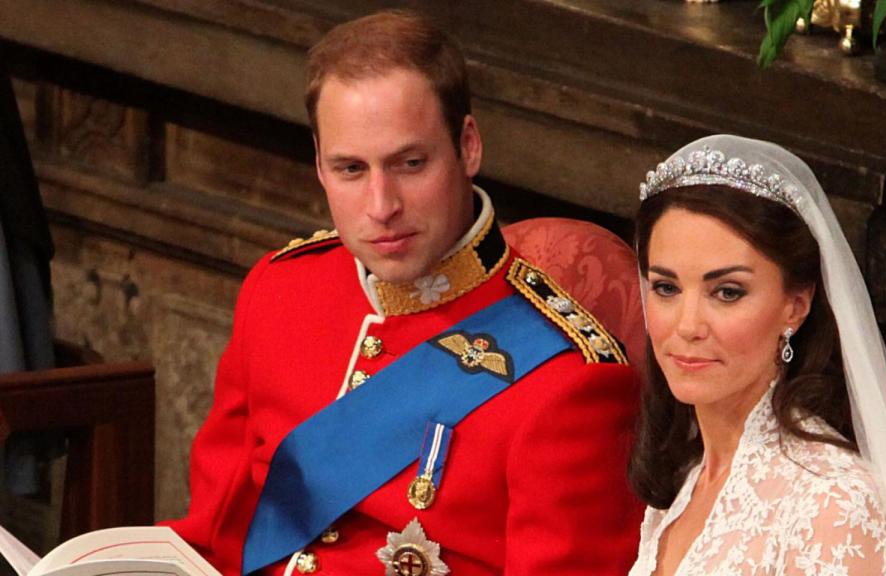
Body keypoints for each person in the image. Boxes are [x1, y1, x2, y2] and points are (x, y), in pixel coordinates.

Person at [164, 10, 642, 576]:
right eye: (349, 169)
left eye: (409, 164)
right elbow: (211, 538)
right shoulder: (279, 291)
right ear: (318, 164)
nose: (381, 206)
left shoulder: (570, 376)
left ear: (468, 147)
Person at [626, 135, 886, 576]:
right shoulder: (688, 472)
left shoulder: (832, 503)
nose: (688, 326)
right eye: (666, 288)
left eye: (727, 292)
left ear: (796, 305)